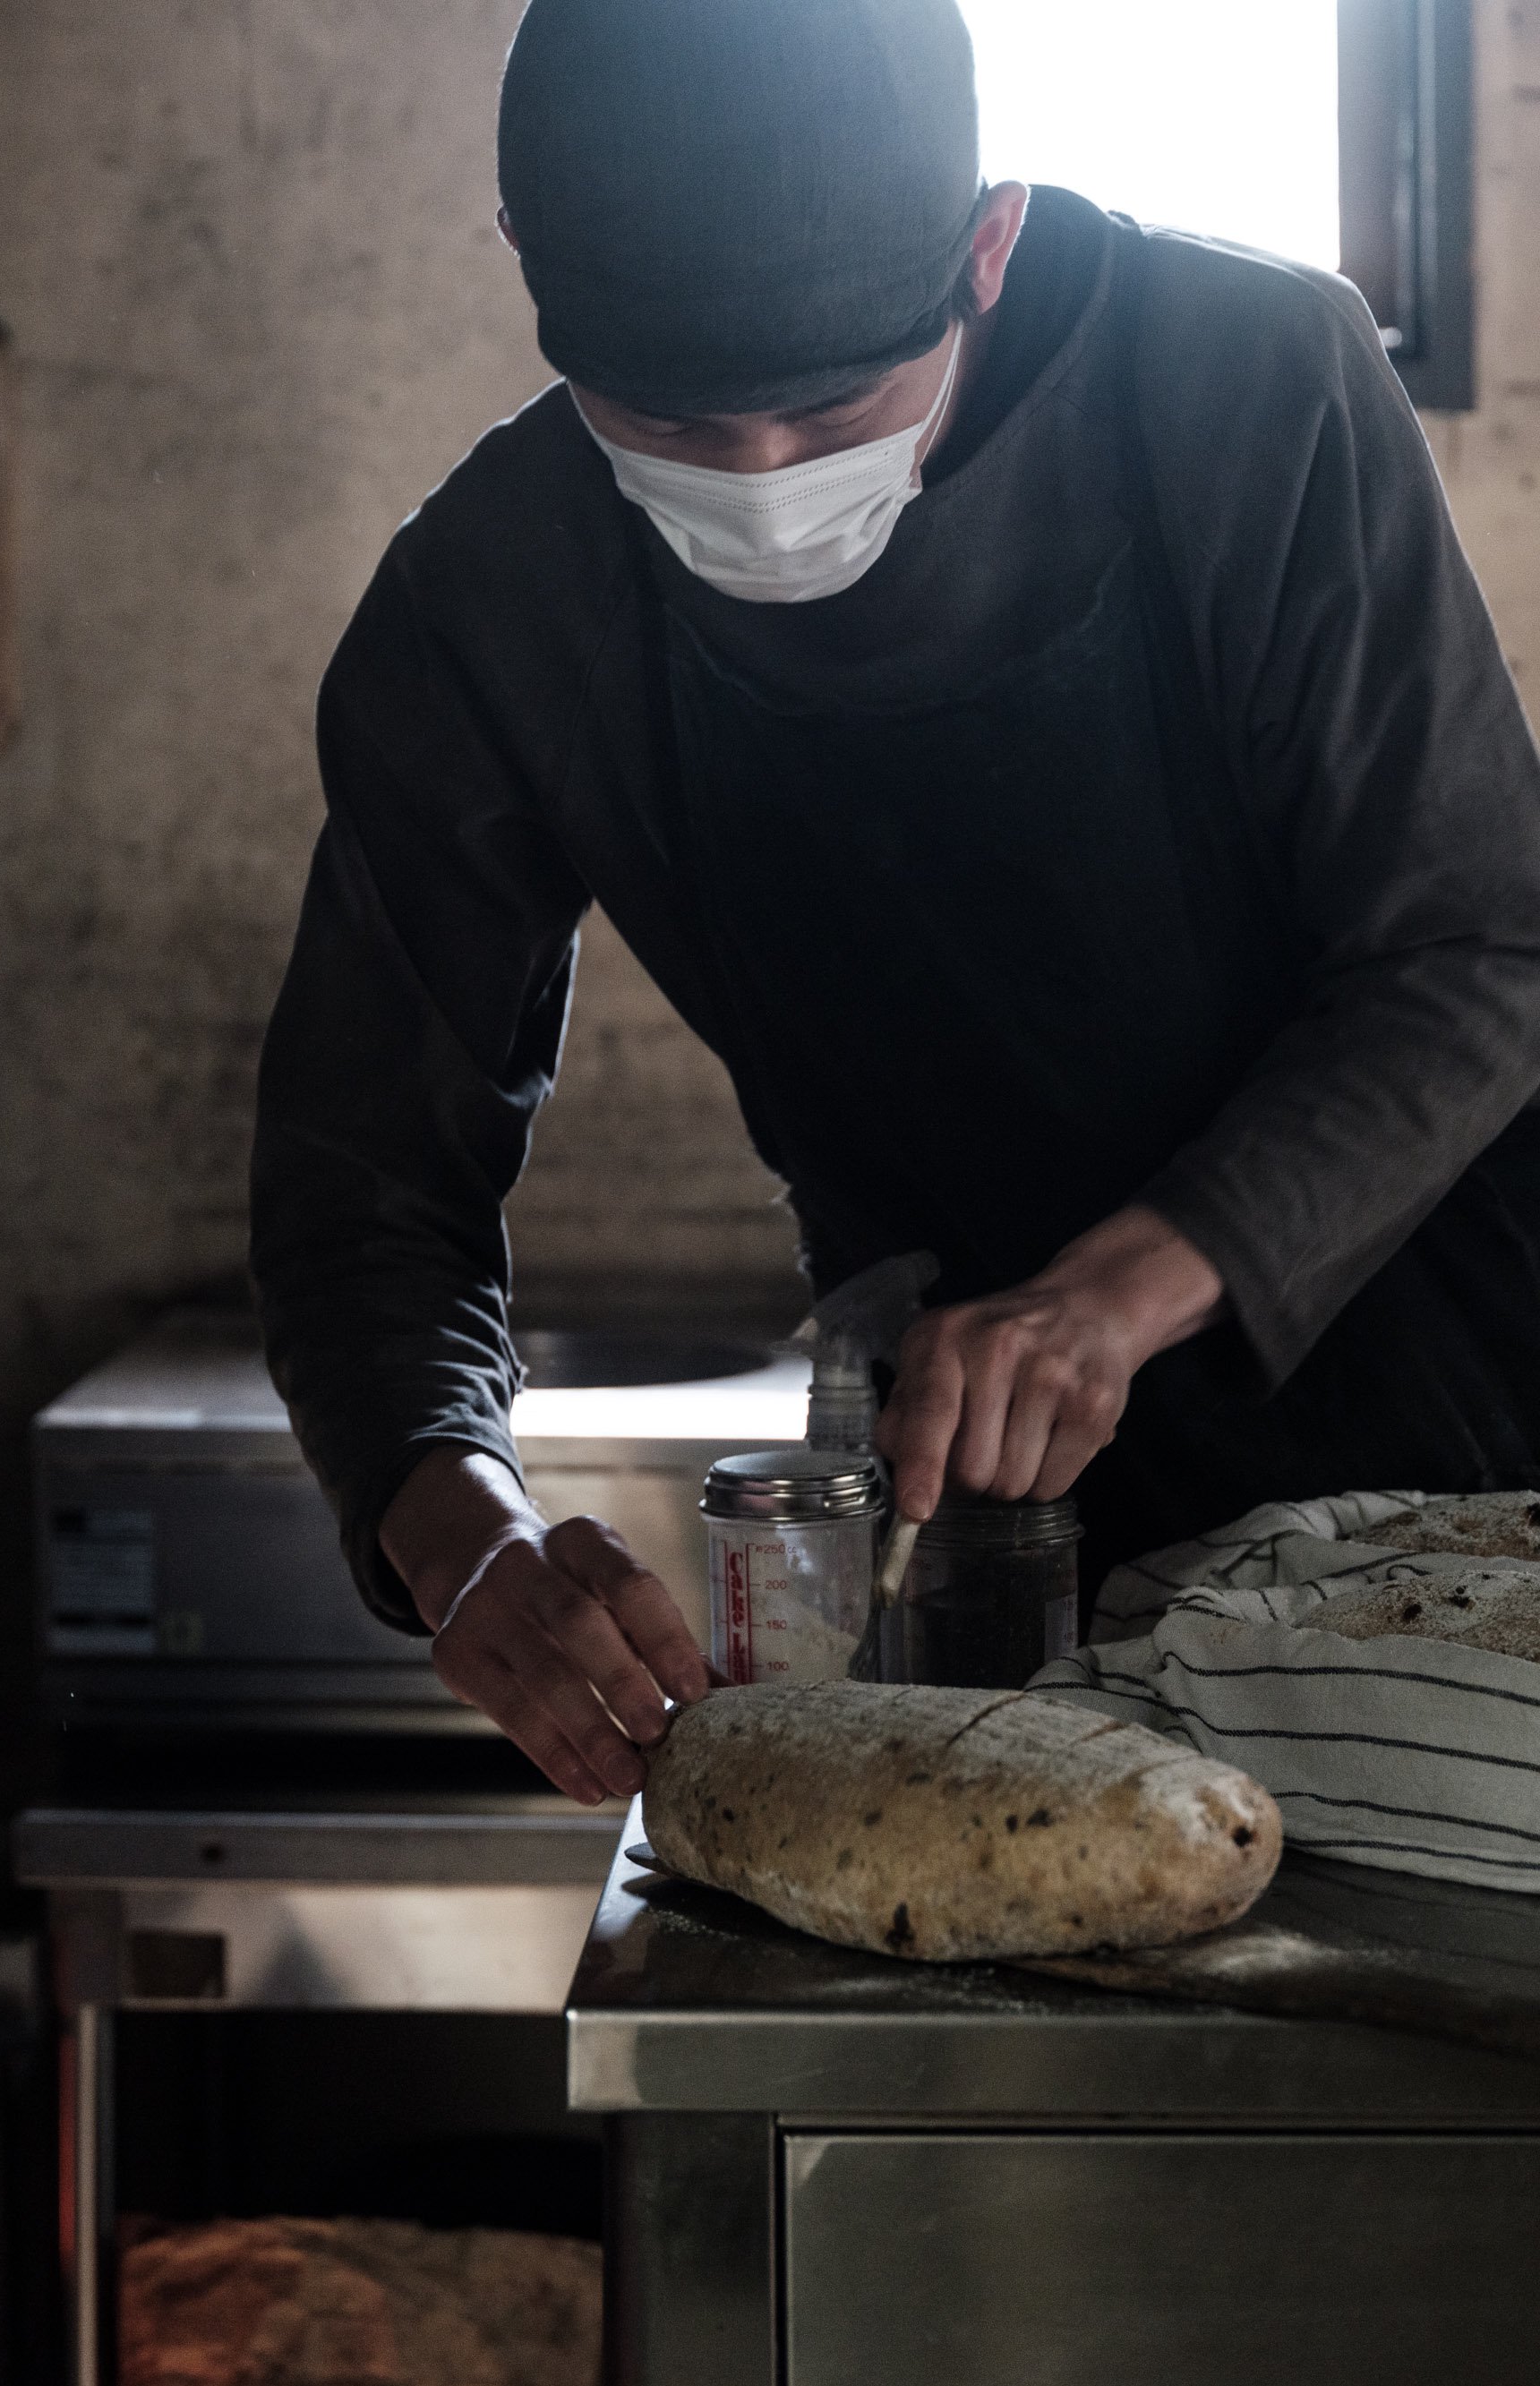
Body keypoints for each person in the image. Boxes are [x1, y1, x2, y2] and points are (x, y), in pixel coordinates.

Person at [251, 0, 1540, 1807]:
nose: (763, 485)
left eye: (837, 404)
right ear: (524, 266)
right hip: (980, 1512)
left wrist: (1116, 1291)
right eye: (677, 422)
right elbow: (365, 1185)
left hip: (1477, 1422)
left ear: (988, 244)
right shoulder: (488, 607)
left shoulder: (1253, 383)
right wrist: (459, 1535)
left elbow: (1479, 942)